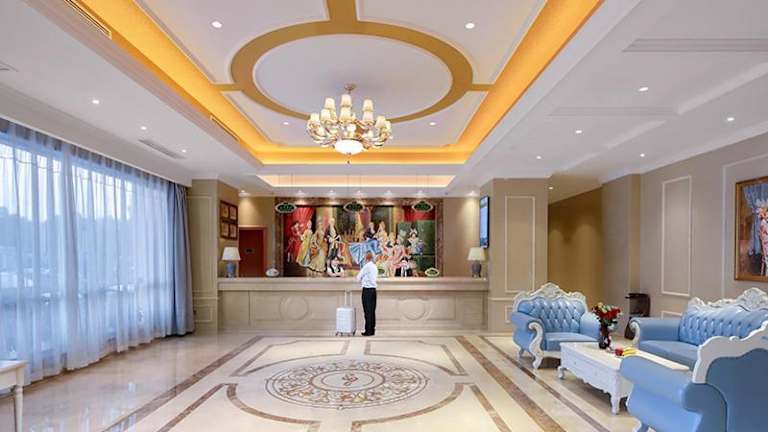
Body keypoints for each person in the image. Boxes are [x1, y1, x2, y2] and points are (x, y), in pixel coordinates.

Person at [357, 251, 378, 336]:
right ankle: (372, 330)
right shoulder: (374, 266)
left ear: (366, 257)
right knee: (372, 311)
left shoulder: (367, 266)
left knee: (367, 311)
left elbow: (358, 277)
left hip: (367, 290)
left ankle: (368, 330)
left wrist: (363, 279)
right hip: (373, 290)